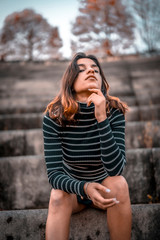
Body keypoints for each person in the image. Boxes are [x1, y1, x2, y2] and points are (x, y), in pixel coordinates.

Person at [43, 52, 132, 240]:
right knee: (57, 195)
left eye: (95, 69)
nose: (91, 70)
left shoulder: (113, 111)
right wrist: (84, 188)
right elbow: (54, 175)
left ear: (101, 80)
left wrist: (101, 118)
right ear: (70, 81)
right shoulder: (54, 116)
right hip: (74, 191)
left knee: (119, 184)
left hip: (105, 191)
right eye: (81, 69)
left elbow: (116, 169)